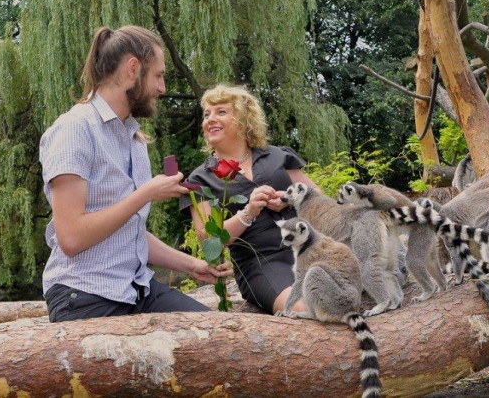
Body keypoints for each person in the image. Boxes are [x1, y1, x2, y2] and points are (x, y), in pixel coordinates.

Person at [39, 25, 232, 322]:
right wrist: (146, 193)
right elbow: (72, 237)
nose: (163, 88)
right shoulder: (74, 129)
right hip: (85, 294)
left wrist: (191, 265)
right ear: (133, 69)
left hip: (136, 288)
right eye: (158, 75)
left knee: (216, 335)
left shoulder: (134, 141)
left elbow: (129, 231)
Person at [180, 84, 319, 315]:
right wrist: (248, 212)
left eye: (221, 112)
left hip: (311, 247)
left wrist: (289, 199)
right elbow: (209, 239)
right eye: (207, 115)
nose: (210, 119)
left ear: (244, 119)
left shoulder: (277, 155)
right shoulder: (200, 178)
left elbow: (319, 199)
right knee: (305, 308)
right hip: (263, 264)